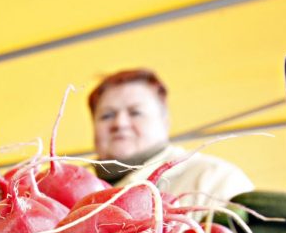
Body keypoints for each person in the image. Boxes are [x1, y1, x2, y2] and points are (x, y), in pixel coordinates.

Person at [88, 68, 254, 207]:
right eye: (107, 116)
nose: (120, 123)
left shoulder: (212, 178)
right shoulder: (74, 196)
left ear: (165, 121)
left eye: (135, 112)